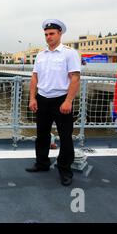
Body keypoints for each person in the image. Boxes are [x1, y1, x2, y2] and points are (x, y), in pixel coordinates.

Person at [26, 19, 81, 186]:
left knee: (65, 137)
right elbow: (35, 77)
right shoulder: (41, 55)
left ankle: (65, 170)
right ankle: (42, 163)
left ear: (60, 34)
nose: (48, 37)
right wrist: (32, 98)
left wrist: (68, 101)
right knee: (41, 134)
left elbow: (75, 78)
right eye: (46, 34)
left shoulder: (69, 53)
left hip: (61, 100)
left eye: (51, 34)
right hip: (42, 99)